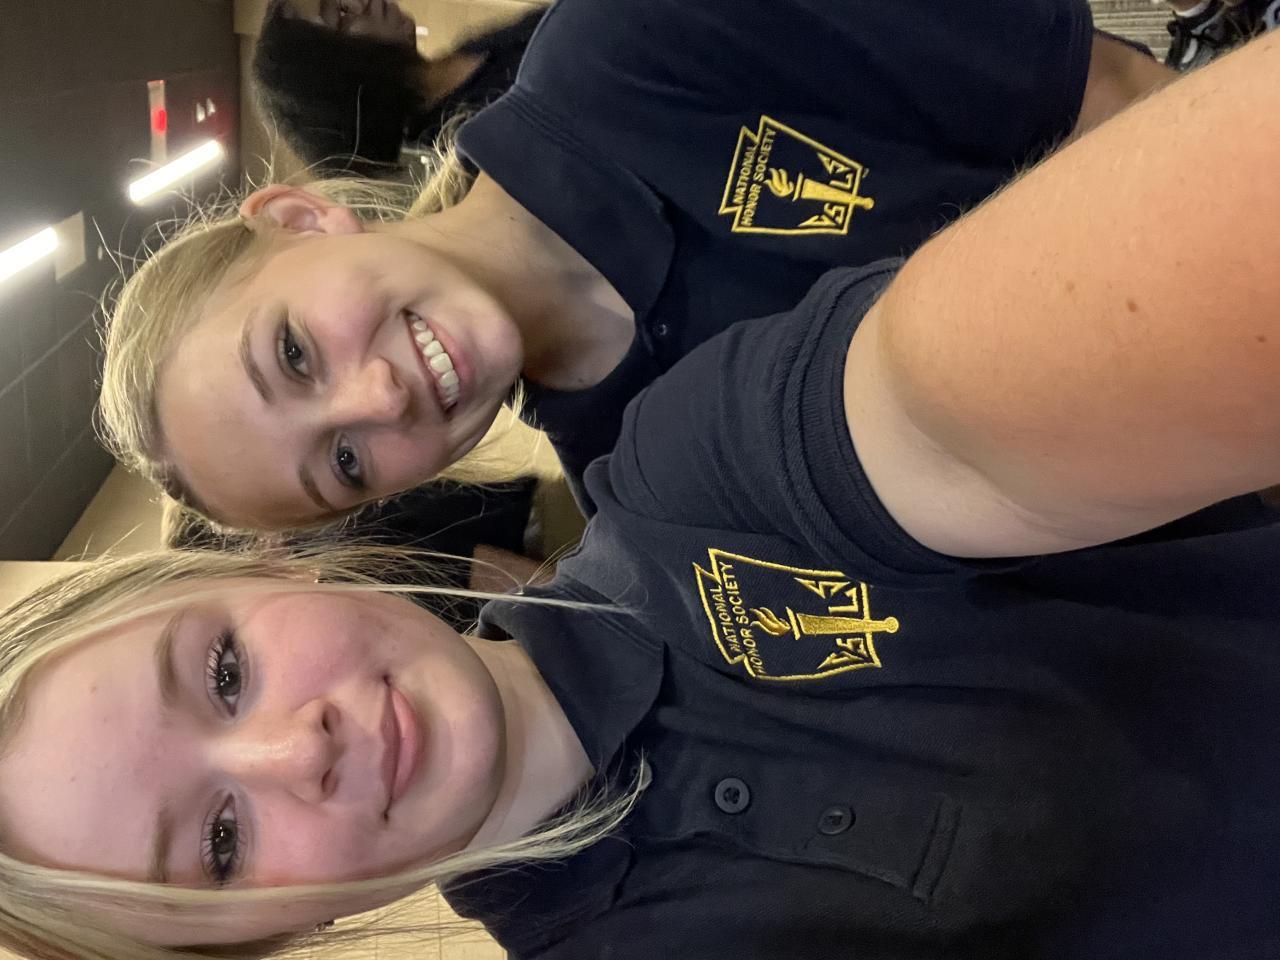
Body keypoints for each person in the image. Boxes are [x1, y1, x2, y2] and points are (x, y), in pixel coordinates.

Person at [9, 31, 1280, 959]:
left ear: (274, 572)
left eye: (225, 671)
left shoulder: (699, 473)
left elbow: (953, 405)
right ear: (272, 936)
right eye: (221, 845)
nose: (299, 751)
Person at [99, 0, 1175, 533]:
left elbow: (1114, 96)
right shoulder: (653, 502)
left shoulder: (637, 42)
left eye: (293, 354)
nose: (378, 399)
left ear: (300, 218)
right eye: (343, 463)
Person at [253, 0, 545, 176]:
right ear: (341, 76)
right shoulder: (463, 140)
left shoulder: (469, 48)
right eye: (341, 14)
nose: (360, 3)